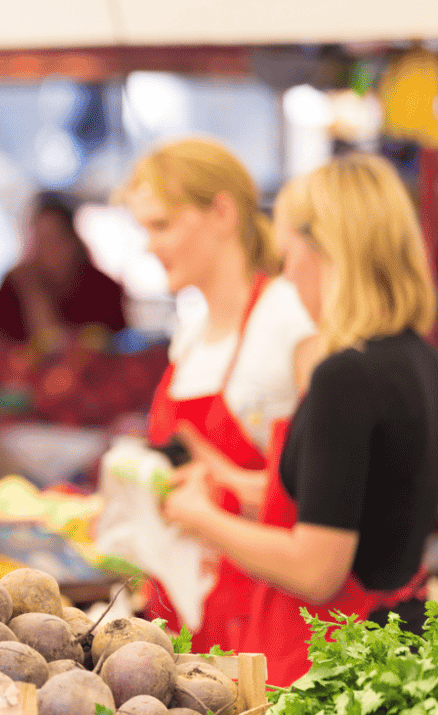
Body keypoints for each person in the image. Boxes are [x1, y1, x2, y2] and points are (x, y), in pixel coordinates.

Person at [165, 152, 438, 686]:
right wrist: (232, 482)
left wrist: (201, 520)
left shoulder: (346, 376)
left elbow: (316, 569)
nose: (287, 276)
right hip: (398, 649)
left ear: (329, 251)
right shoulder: (418, 360)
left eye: (289, 255)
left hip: (335, 664)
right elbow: (361, 500)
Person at [124, 138, 318, 651]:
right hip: (189, 609)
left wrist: (220, 489)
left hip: (266, 618)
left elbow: (325, 495)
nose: (149, 246)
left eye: (162, 225)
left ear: (222, 214)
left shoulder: (290, 318)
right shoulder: (189, 337)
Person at [0, 192, 127, 353]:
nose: (48, 248)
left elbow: (116, 346)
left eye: (55, 238)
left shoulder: (103, 287)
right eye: (40, 240)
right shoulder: (14, 283)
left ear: (74, 240)